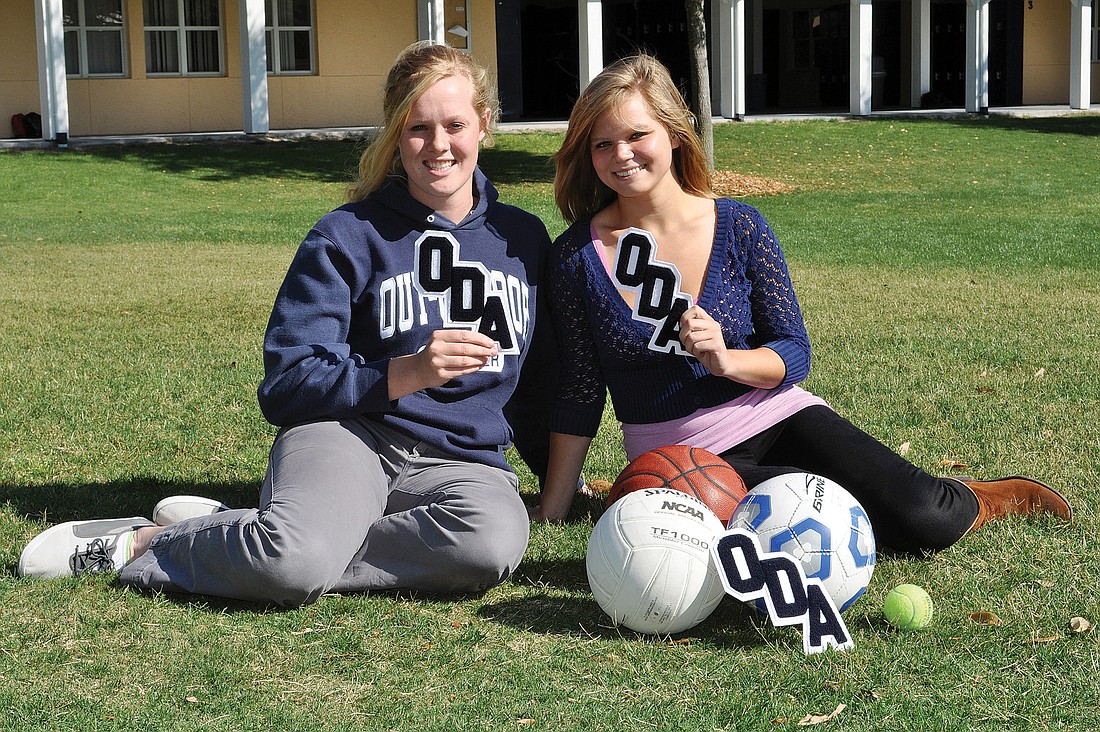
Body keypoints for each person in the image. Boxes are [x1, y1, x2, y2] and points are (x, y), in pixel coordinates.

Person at [19, 41, 553, 605]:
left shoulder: (522, 241)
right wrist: (404, 373)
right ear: (396, 134)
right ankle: (149, 544)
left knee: (489, 545)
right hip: (352, 437)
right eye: (419, 127)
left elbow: (540, 383)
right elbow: (287, 383)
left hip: (461, 464)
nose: (438, 145)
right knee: (293, 564)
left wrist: (557, 484)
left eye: (455, 124)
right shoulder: (346, 235)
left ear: (485, 126)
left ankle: (260, 535)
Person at [528, 54, 1072, 554]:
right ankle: (630, 488)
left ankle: (977, 497)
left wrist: (727, 360)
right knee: (803, 538)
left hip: (776, 415)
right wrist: (555, 511)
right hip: (680, 459)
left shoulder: (740, 227)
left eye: (636, 134)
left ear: (673, 134)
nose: (620, 154)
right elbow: (579, 389)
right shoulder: (576, 256)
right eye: (602, 143)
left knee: (924, 520)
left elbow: (793, 349)